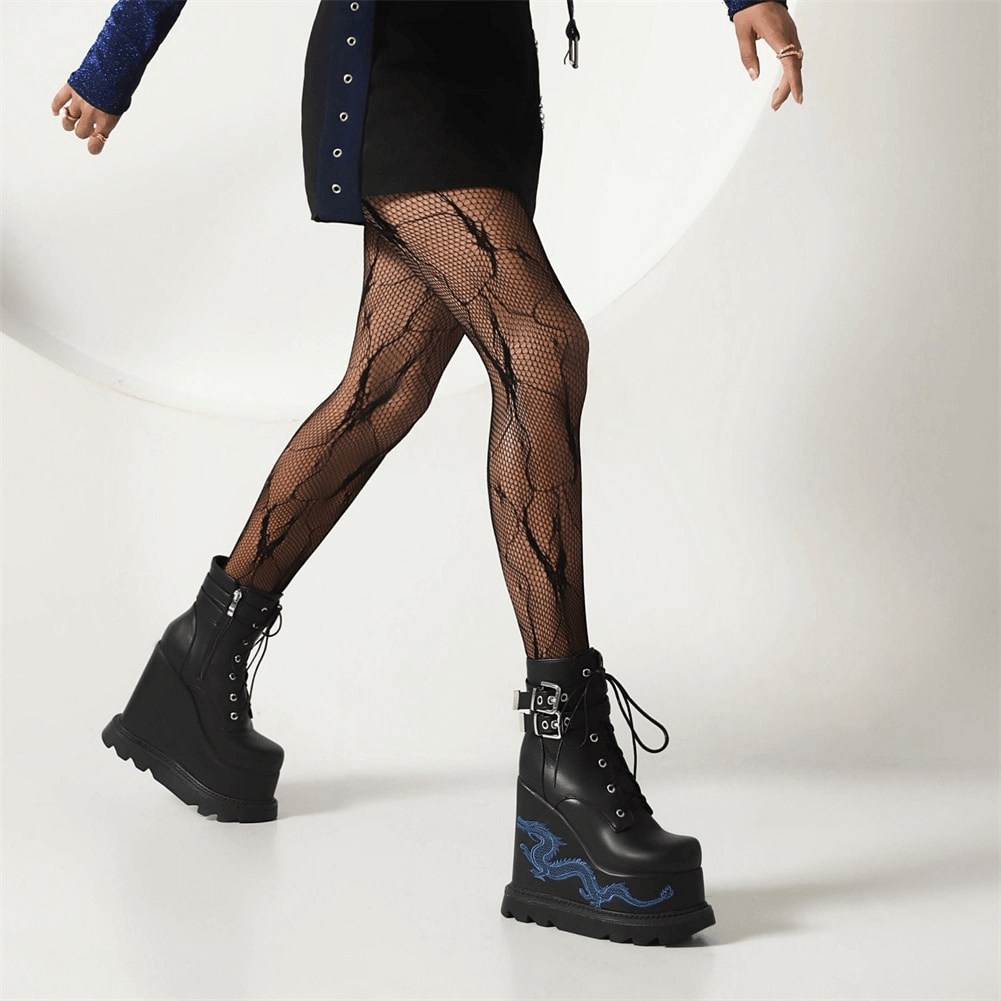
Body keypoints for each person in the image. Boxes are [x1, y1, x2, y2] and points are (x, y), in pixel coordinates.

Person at [51, 0, 804, 946]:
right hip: (390, 66)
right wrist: (115, 59)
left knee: (385, 388)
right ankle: (562, 769)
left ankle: (197, 667)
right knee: (540, 348)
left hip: (491, 80)